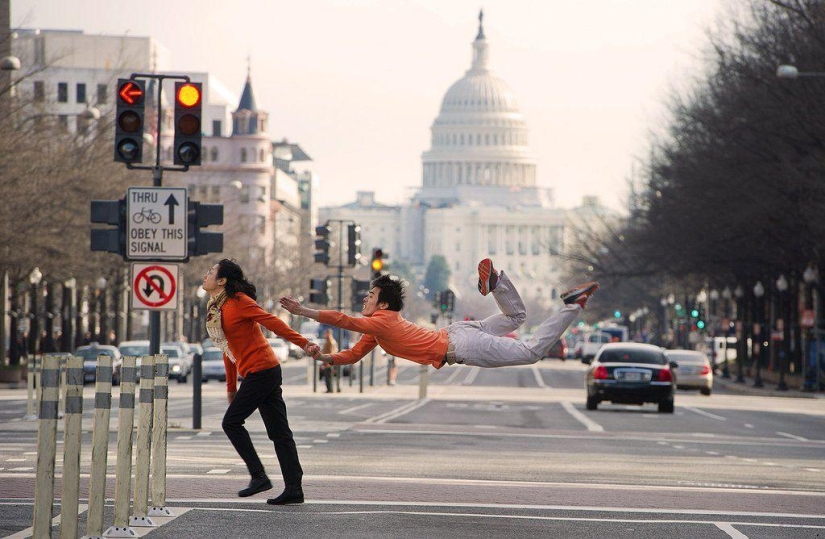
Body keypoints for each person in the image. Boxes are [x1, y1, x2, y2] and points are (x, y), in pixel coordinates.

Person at [280, 259, 598, 371]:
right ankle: (496, 282)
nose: (365, 299)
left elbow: (343, 320)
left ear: (384, 304)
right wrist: (320, 357)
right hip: (460, 333)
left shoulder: (382, 321)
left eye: (371, 296)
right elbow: (350, 356)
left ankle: (573, 304)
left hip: (461, 346)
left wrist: (303, 310)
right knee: (516, 318)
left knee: (531, 353)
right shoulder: (378, 330)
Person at [202, 259, 320, 505]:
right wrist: (231, 387)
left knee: (231, 423)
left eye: (211, 272)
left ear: (222, 281)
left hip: (263, 370)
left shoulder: (239, 302)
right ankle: (294, 489)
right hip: (258, 372)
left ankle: (259, 477)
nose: (206, 275)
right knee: (280, 433)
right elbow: (227, 348)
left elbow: (273, 323)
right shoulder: (217, 308)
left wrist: (304, 343)